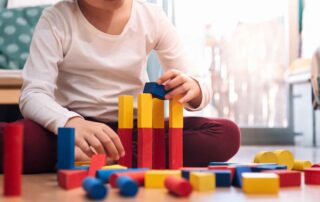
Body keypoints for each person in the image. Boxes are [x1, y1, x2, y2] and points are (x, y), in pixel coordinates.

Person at [0, 0, 240, 173]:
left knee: (225, 134)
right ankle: (116, 158)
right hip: (73, 133)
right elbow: (33, 94)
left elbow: (199, 80)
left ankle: (94, 159)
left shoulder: (151, 17)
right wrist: (71, 123)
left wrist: (193, 88)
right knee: (11, 140)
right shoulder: (57, 18)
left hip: (136, 131)